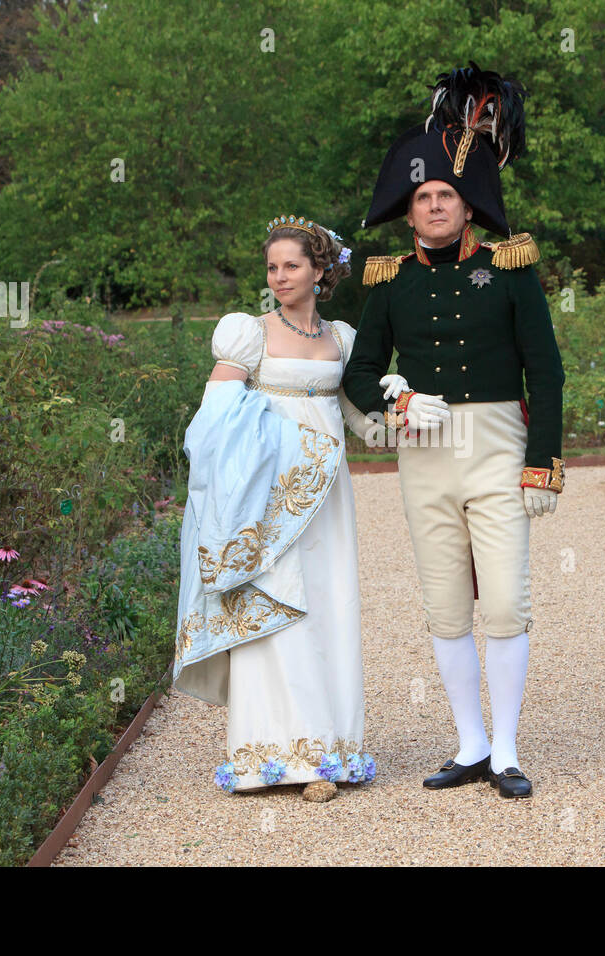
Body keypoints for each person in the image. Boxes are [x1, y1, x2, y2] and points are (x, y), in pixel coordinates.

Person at [343, 63, 565, 799]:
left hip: (497, 447)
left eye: (446, 196)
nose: (435, 206)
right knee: (444, 604)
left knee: (504, 602)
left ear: (468, 207)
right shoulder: (389, 280)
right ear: (409, 213)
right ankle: (468, 742)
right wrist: (393, 407)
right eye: (423, 198)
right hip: (423, 456)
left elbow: (548, 374)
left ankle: (506, 748)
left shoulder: (510, 271)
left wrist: (541, 463)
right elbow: (362, 365)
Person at [174, 215, 383, 798]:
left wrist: (401, 403)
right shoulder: (250, 334)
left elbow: (361, 421)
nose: (280, 276)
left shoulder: (341, 338)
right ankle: (278, 757)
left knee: (329, 604)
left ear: (320, 270)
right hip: (266, 494)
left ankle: (332, 749)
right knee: (276, 608)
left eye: (292, 265)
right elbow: (213, 421)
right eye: (273, 267)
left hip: (328, 491)